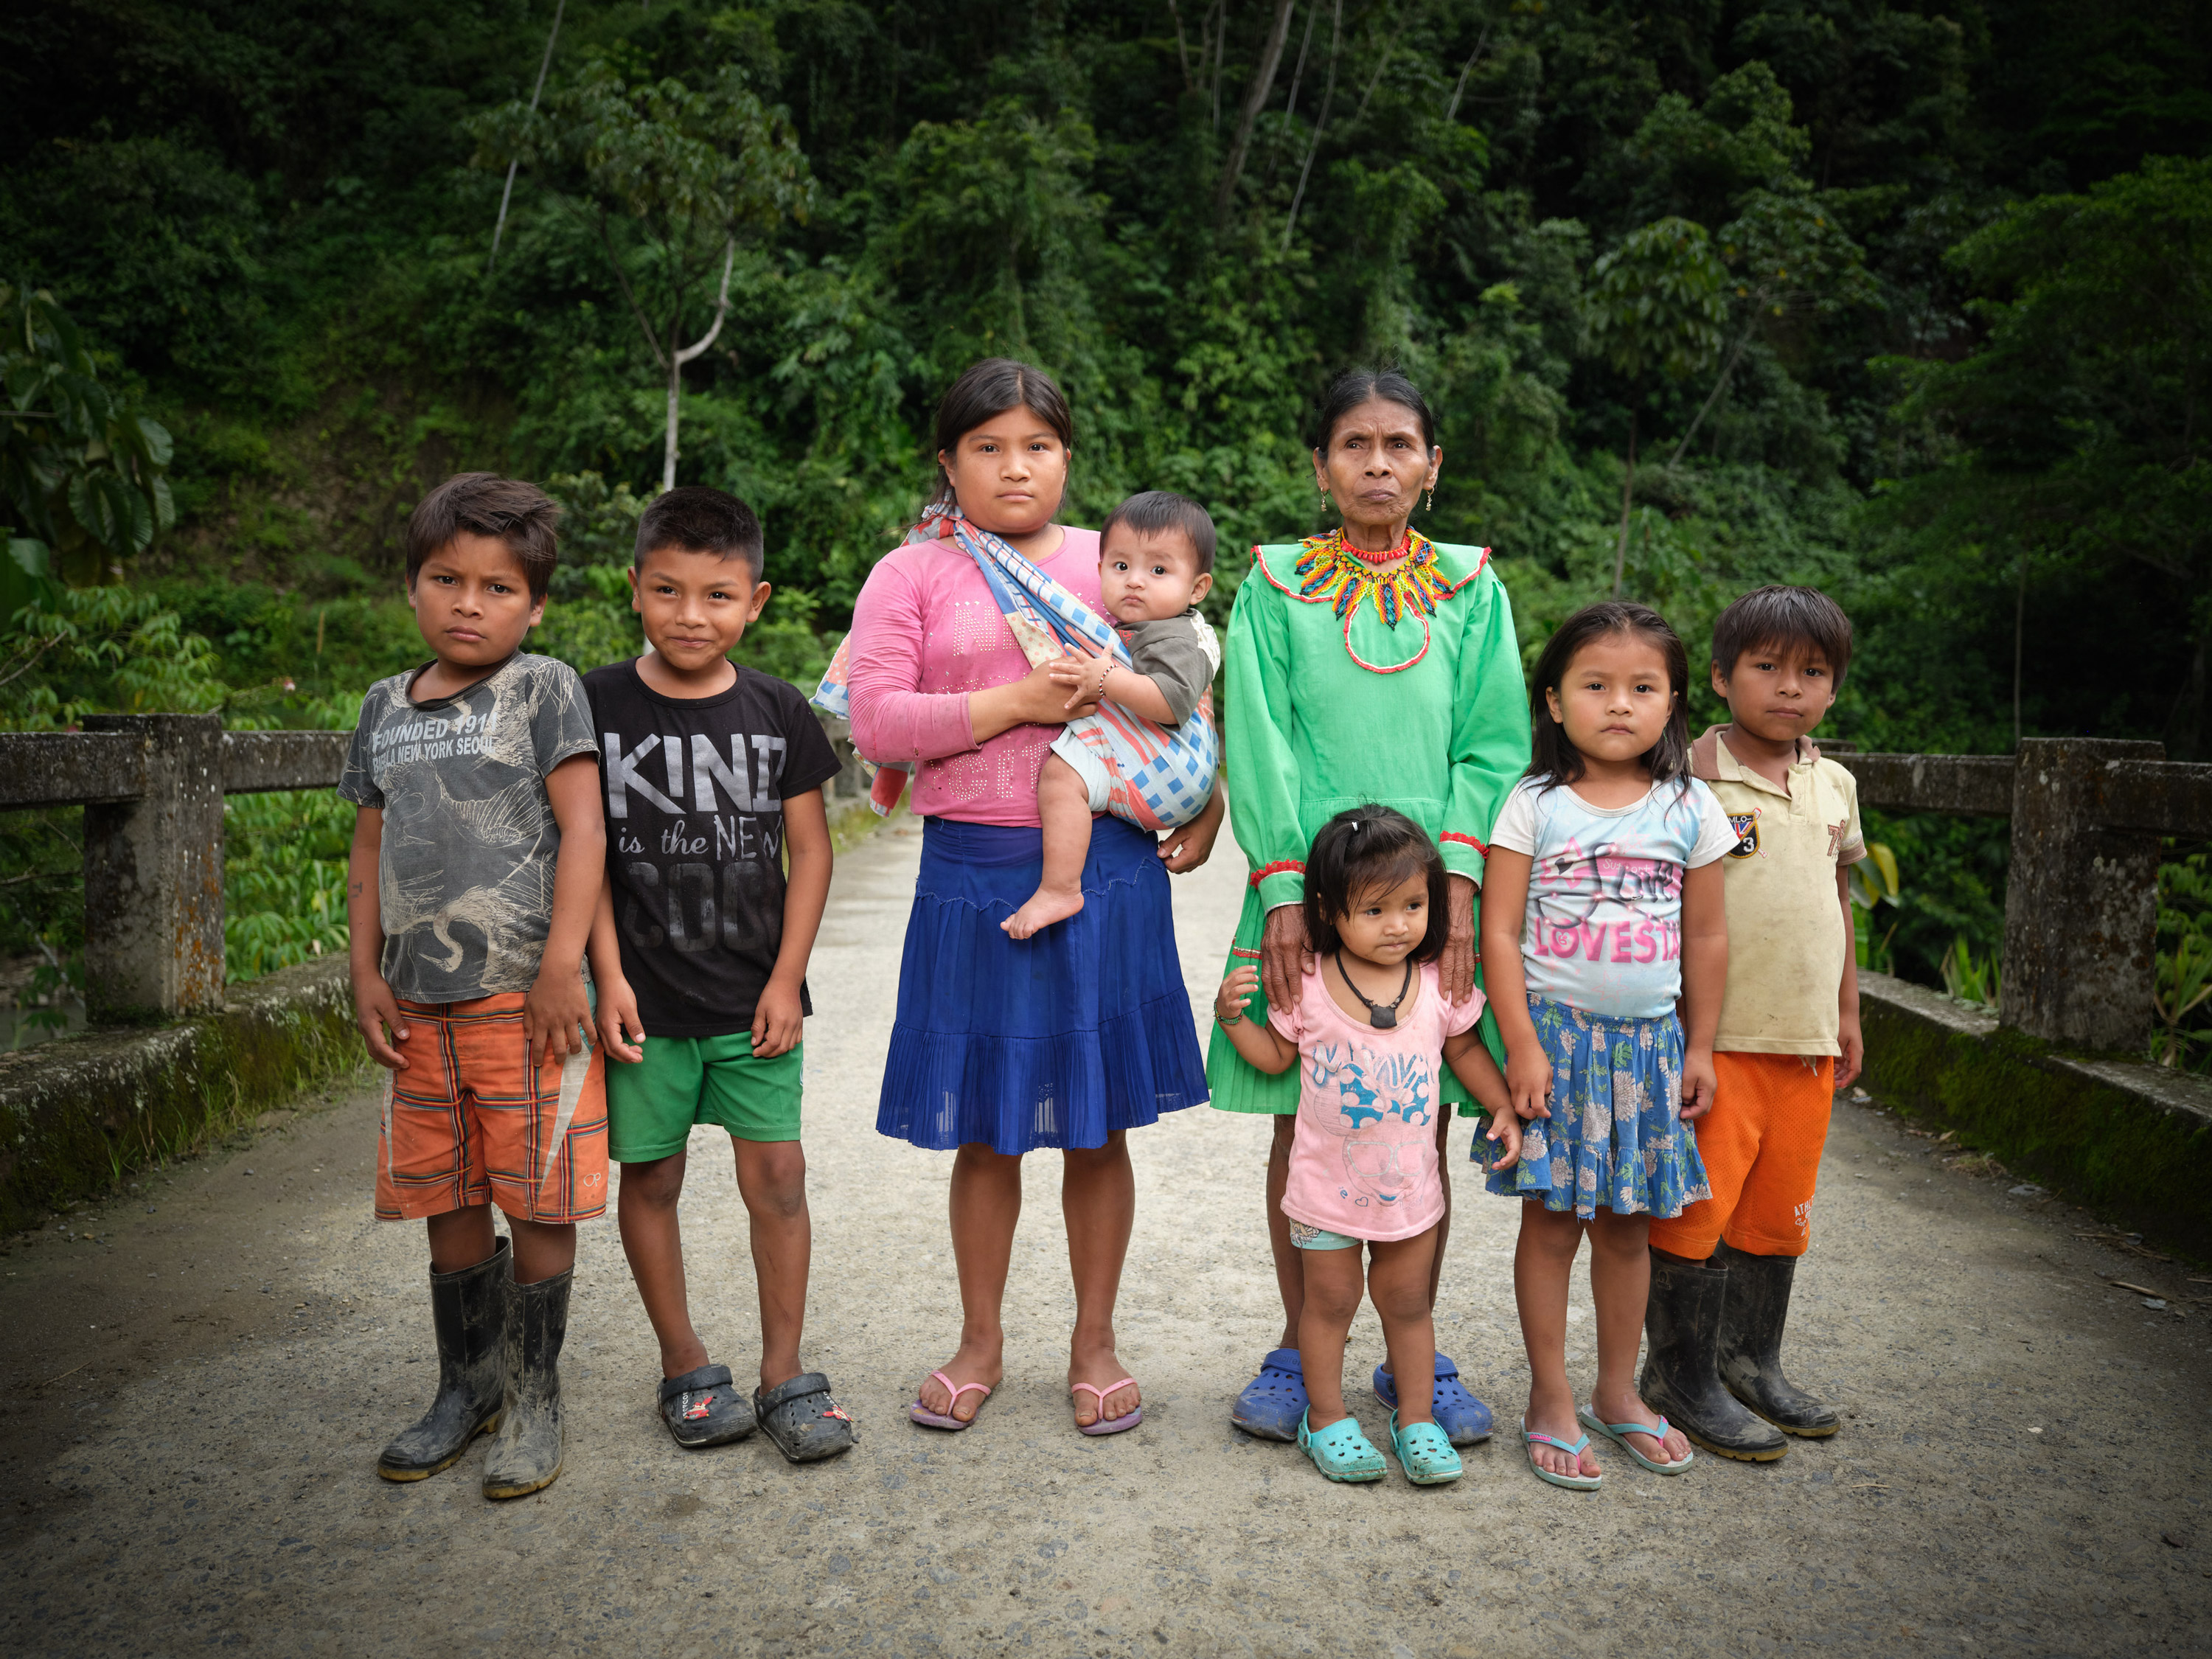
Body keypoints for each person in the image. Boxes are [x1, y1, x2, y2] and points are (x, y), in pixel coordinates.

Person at [843, 358, 1222, 1436]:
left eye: (1038, 446)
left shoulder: (1113, 568)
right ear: (949, 461)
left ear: (1067, 453)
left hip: (1109, 868)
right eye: (988, 447)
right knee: (985, 1130)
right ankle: (980, 1338)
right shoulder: (911, 574)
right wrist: (1013, 700)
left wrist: (1213, 797)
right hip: (972, 872)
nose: (1016, 468)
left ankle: (1094, 1342)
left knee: (1099, 1126)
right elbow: (877, 725)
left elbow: (1182, 687)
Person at [1210, 369, 1529, 1448]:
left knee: (1415, 1112)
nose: (1378, 463)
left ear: (1433, 468)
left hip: (1428, 895)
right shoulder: (1275, 583)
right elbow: (1257, 735)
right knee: (1301, 1113)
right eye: (1355, 444)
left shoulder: (1472, 587)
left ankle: (1413, 1349)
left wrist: (1459, 889)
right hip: (1299, 886)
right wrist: (1284, 888)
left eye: (1401, 445)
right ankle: (1306, 1348)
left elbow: (1491, 740)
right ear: (1321, 465)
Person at [342, 472, 607, 1500]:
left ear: (534, 604)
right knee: (445, 1193)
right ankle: (469, 1384)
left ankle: (537, 1394)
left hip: (521, 999)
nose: (468, 602)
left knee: (535, 1193)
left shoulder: (544, 688)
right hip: (418, 1006)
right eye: (445, 578)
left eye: (498, 587)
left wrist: (560, 965)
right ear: (411, 587)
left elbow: (583, 827)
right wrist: (364, 968)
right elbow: (368, 843)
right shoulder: (381, 709)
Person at [582, 485, 855, 1464]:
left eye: (717, 594)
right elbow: (585, 858)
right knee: (650, 1174)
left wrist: (788, 979)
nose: (690, 614)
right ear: (635, 589)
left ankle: (785, 1370)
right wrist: (604, 977)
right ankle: (686, 1362)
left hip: (754, 999)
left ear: (757, 600)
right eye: (668, 590)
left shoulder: (777, 708)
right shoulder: (594, 704)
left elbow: (812, 853)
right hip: (643, 1002)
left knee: (777, 1174)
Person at [1478, 600, 1732, 1490]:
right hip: (1556, 1045)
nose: (1619, 704)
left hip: (1649, 1052)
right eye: (1595, 685)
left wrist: (1700, 1046)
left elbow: (1705, 939)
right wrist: (1519, 1046)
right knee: (1549, 1227)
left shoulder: (1692, 805)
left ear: (1673, 705)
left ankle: (1618, 1393)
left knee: (1629, 1231)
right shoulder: (1534, 805)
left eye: (1642, 688)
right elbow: (1499, 935)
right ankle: (1550, 1399)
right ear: (1553, 702)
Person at [1213, 808, 1520, 1486]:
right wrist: (1232, 1019)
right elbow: (1274, 1060)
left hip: (1411, 1192)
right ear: (1329, 911)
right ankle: (1325, 1418)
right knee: (1329, 1305)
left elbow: (1463, 1049)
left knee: (1409, 1304)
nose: (1399, 925)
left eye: (1413, 905)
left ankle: (1415, 1419)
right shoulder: (1313, 985)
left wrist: (1500, 1104)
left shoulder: (1438, 981)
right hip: (1326, 1193)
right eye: (1376, 909)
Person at [1641, 585, 1866, 1461]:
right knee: (1698, 1212)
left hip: (1804, 1042)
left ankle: (1751, 1360)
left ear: (1835, 689)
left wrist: (1847, 1012)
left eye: (1813, 672)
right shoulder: (1689, 777)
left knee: (1779, 1215)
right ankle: (1678, 1373)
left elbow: (1836, 900)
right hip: (1719, 1040)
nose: (1790, 688)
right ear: (1724, 677)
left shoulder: (1833, 783)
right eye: (1767, 668)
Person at [1002, 490, 1221, 939]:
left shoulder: (1177, 639)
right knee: (1065, 776)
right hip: (1168, 780)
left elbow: (1170, 704)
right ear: (1100, 570)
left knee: (1061, 779)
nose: (1135, 581)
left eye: (1159, 570)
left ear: (1197, 588)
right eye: (1121, 567)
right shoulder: (1144, 628)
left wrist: (1106, 677)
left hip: (1166, 774)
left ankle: (1061, 887)